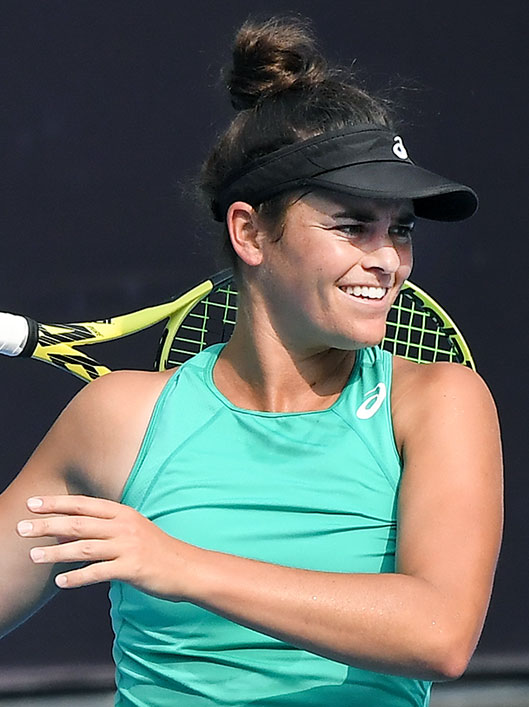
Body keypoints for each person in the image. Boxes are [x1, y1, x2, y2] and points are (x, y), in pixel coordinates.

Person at [0, 17, 502, 707]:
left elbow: (438, 633)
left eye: (401, 229)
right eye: (352, 226)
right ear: (249, 231)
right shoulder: (117, 415)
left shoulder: (439, 401)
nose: (388, 258)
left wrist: (182, 564)